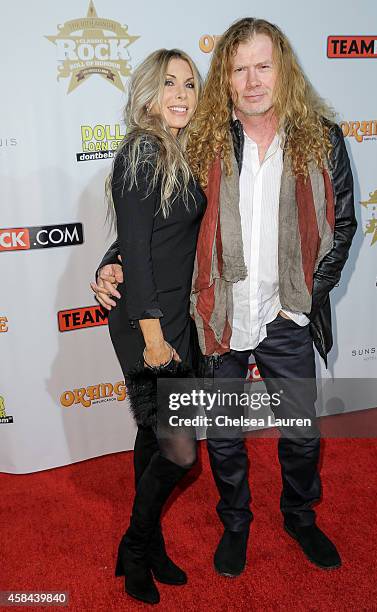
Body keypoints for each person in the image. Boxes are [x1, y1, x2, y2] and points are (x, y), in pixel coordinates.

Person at [93, 18, 356, 577]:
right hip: (218, 315)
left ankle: (300, 517)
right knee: (225, 435)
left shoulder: (323, 136)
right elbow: (153, 225)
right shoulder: (209, 137)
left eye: (263, 66)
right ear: (227, 80)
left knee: (301, 430)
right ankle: (235, 522)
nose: (252, 80)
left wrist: (305, 298)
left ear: (283, 69)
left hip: (287, 314)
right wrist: (110, 262)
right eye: (238, 69)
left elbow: (345, 224)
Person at [96, 48, 205, 605]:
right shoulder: (141, 150)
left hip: (175, 318)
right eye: (169, 83)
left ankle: (148, 543)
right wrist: (154, 334)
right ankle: (136, 548)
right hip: (148, 323)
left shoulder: (178, 150)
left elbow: (152, 236)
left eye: (189, 83)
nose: (181, 93)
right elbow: (136, 248)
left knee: (153, 437)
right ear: (148, 92)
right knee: (182, 451)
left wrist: (106, 258)